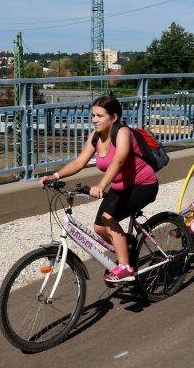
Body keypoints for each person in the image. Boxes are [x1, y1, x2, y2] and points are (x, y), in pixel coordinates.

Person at [38, 92, 158, 283]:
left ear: (114, 117)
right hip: (120, 186)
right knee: (99, 227)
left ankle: (125, 268)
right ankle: (126, 248)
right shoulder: (95, 136)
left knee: (109, 218)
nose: (94, 120)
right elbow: (80, 162)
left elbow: (119, 160)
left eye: (100, 116)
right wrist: (55, 176)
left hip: (143, 184)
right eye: (93, 115)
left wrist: (101, 185)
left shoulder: (122, 132)